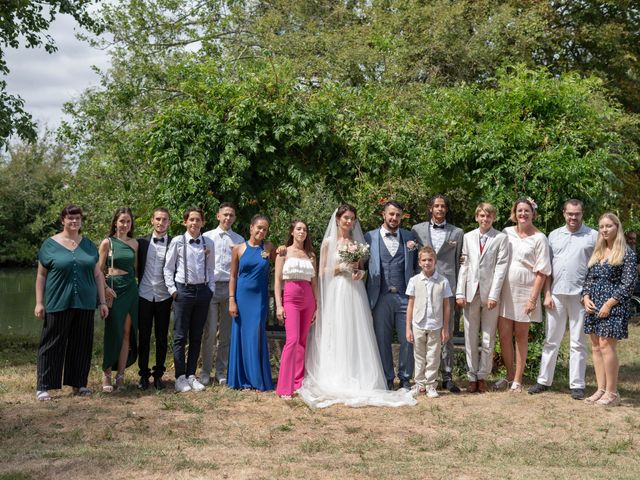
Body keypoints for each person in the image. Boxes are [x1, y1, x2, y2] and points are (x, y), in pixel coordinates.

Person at [297, 204, 416, 408]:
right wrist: (340, 267)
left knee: (355, 331)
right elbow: (322, 272)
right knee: (338, 330)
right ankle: (336, 375)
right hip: (337, 290)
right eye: (345, 218)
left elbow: (362, 269)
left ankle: (359, 373)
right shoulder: (328, 242)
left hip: (355, 291)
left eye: (352, 218)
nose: (349, 221)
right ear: (337, 219)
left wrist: (359, 273)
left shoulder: (357, 242)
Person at [34, 205, 109, 401]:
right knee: (52, 343)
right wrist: (39, 302)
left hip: (84, 303)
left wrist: (102, 302)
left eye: (77, 218)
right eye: (70, 218)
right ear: (63, 220)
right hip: (58, 301)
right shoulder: (49, 245)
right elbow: (41, 276)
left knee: (81, 344)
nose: (74, 222)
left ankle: (79, 383)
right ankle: (44, 386)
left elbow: (98, 275)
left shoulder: (89, 245)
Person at [528, 200, 597, 400]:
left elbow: (596, 268)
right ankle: (543, 380)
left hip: (581, 296)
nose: (573, 217)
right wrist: (547, 293)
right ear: (563, 213)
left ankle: (577, 384)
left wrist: (588, 294)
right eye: (569, 214)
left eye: (577, 214)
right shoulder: (554, 236)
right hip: (556, 294)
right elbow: (547, 269)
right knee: (551, 339)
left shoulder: (592, 236)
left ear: (582, 214)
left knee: (578, 342)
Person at [495, 198, 551, 393]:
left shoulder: (540, 238)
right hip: (505, 290)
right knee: (503, 335)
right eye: (519, 211)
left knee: (521, 336)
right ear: (514, 213)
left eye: (527, 211)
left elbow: (542, 271)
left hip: (526, 291)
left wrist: (533, 299)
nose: (523, 214)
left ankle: (518, 379)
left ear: (533, 213)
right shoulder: (506, 233)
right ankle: (509, 375)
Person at [582, 213, 637, 406]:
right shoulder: (598, 251)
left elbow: (628, 284)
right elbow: (589, 278)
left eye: (608, 226)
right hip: (593, 304)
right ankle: (601, 389)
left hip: (614, 305)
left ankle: (612, 393)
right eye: (601, 227)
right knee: (596, 346)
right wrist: (586, 297)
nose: (604, 230)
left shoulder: (627, 253)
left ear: (617, 227)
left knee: (606, 345)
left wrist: (609, 304)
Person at [411, 194, 464, 393]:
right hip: (423, 287)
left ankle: (447, 376)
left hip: (446, 286)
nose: (440, 209)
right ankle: (421, 379)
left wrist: (459, 290)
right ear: (430, 209)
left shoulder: (457, 232)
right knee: (421, 333)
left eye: (443, 206)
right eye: (436, 206)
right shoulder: (417, 230)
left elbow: (460, 261)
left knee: (446, 333)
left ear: (446, 209)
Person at [455, 203, 509, 393]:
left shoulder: (501, 238)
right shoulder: (468, 237)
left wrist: (494, 294)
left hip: (490, 295)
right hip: (471, 292)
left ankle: (483, 375)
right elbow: (465, 265)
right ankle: (471, 376)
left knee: (487, 336)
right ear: (477, 217)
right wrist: (460, 292)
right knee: (470, 335)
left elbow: (501, 268)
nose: (485, 219)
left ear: (493, 218)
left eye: (489, 216)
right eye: (482, 216)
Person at [364, 200, 418, 390]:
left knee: (407, 339)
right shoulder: (369, 237)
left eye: (398, 215)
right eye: (391, 214)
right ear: (383, 215)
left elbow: (417, 266)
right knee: (382, 339)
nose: (394, 218)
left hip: (405, 296)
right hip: (380, 297)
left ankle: (405, 378)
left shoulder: (409, 236)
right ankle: (387, 377)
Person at [164, 207, 215, 393]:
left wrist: (210, 290)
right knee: (179, 336)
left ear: (203, 222)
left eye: (198, 220)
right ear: (185, 222)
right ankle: (180, 377)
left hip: (202, 292)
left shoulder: (208, 243)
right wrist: (173, 291)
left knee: (196, 335)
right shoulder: (177, 241)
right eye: (191, 219)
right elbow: (168, 268)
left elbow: (211, 269)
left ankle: (191, 375)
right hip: (183, 291)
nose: (194, 223)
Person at [227, 214, 276, 390]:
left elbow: (282, 260)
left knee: (255, 334)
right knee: (241, 334)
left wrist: (284, 248)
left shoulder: (269, 247)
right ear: (251, 228)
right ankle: (241, 379)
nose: (262, 231)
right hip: (242, 298)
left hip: (259, 299)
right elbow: (232, 276)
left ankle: (256, 378)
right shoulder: (238, 249)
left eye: (265, 229)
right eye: (259, 228)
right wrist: (232, 300)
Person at [200, 202, 245, 386]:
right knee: (209, 332)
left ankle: (220, 371)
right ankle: (204, 372)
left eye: (231, 215)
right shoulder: (206, 237)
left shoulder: (239, 240)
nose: (228, 218)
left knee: (226, 333)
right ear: (218, 216)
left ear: (234, 218)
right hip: (210, 287)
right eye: (225, 214)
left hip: (230, 288)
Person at [274, 219, 318, 398]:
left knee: (302, 341)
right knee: (291, 341)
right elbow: (277, 281)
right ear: (292, 232)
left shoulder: (311, 255)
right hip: (291, 298)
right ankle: (284, 386)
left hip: (308, 299)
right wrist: (279, 305)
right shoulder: (283, 253)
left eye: (305, 229)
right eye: (298, 229)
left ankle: (298, 382)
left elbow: (315, 283)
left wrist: (318, 305)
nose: (302, 232)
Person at [99, 207, 139, 392]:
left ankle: (121, 376)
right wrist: (105, 288)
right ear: (115, 222)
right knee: (112, 331)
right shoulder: (107, 242)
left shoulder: (135, 244)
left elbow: (135, 269)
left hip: (130, 288)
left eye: (128, 222)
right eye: (122, 221)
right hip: (113, 289)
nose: (125, 225)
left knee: (126, 333)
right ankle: (106, 374)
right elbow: (99, 271)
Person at [406, 247, 452, 398]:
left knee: (433, 355)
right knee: (419, 355)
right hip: (418, 323)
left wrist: (445, 328)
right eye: (424, 260)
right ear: (419, 262)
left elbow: (446, 306)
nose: (427, 263)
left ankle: (431, 384)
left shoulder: (443, 281)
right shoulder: (414, 280)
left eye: (430, 260)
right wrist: (408, 328)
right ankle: (419, 384)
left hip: (435, 324)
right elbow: (410, 305)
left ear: (435, 262)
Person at [136, 208, 173, 391]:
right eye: (158, 219)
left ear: (169, 223)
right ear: (152, 221)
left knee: (161, 338)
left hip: (164, 296)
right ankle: (143, 375)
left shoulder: (175, 243)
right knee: (143, 337)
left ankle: (158, 375)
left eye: (164, 219)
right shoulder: (141, 242)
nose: (160, 222)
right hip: (143, 294)